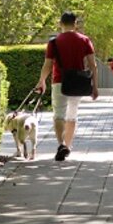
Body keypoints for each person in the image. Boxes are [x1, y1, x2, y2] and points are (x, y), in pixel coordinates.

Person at [35, 12, 98, 161]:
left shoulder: (54, 42)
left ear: (60, 24)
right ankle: (68, 147)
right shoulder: (84, 40)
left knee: (58, 115)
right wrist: (95, 86)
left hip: (59, 81)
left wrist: (41, 81)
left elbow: (48, 64)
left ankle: (61, 144)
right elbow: (93, 65)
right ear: (75, 23)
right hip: (78, 83)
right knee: (72, 116)